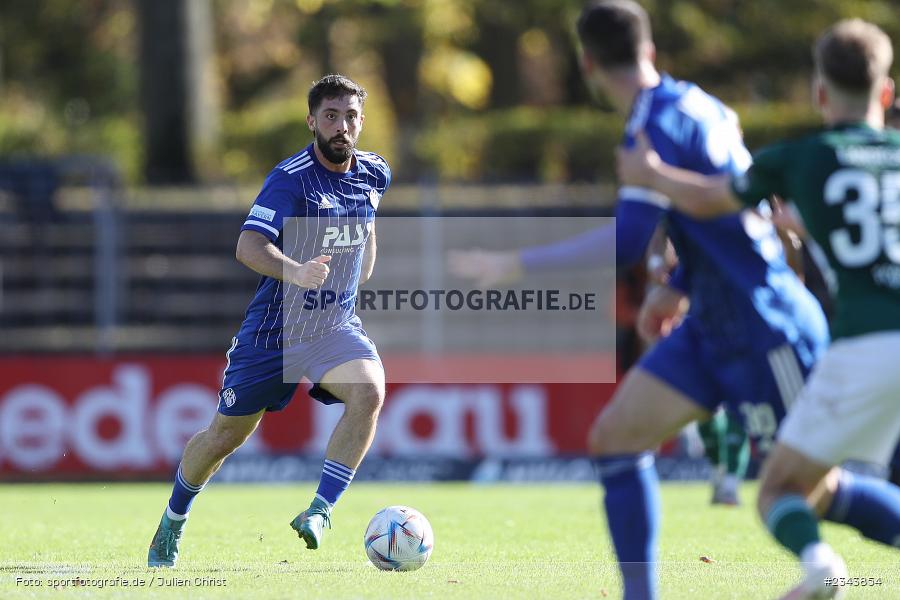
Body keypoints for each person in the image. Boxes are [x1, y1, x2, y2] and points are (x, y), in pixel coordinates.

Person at [617, 18, 900, 599]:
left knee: (780, 491)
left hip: (867, 348)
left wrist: (653, 175)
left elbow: (710, 199)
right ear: (887, 92)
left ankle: (821, 567)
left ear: (819, 94)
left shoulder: (799, 158)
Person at [574, 2, 830, 598]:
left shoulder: (651, 129)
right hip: (710, 320)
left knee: (816, 491)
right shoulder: (701, 105)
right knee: (615, 438)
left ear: (586, 62)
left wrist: (518, 263)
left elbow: (630, 241)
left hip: (761, 321)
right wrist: (679, 285)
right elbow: (726, 214)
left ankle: (828, 569)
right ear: (650, 50)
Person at [148, 74, 391, 567]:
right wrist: (296, 270)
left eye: (350, 117)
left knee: (369, 392)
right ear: (311, 122)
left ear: (362, 121)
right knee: (223, 438)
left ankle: (320, 511)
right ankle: (173, 520)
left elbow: (365, 236)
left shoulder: (375, 173)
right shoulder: (291, 178)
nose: (341, 126)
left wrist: (356, 266)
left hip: (332, 326)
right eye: (330, 116)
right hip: (273, 335)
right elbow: (248, 246)